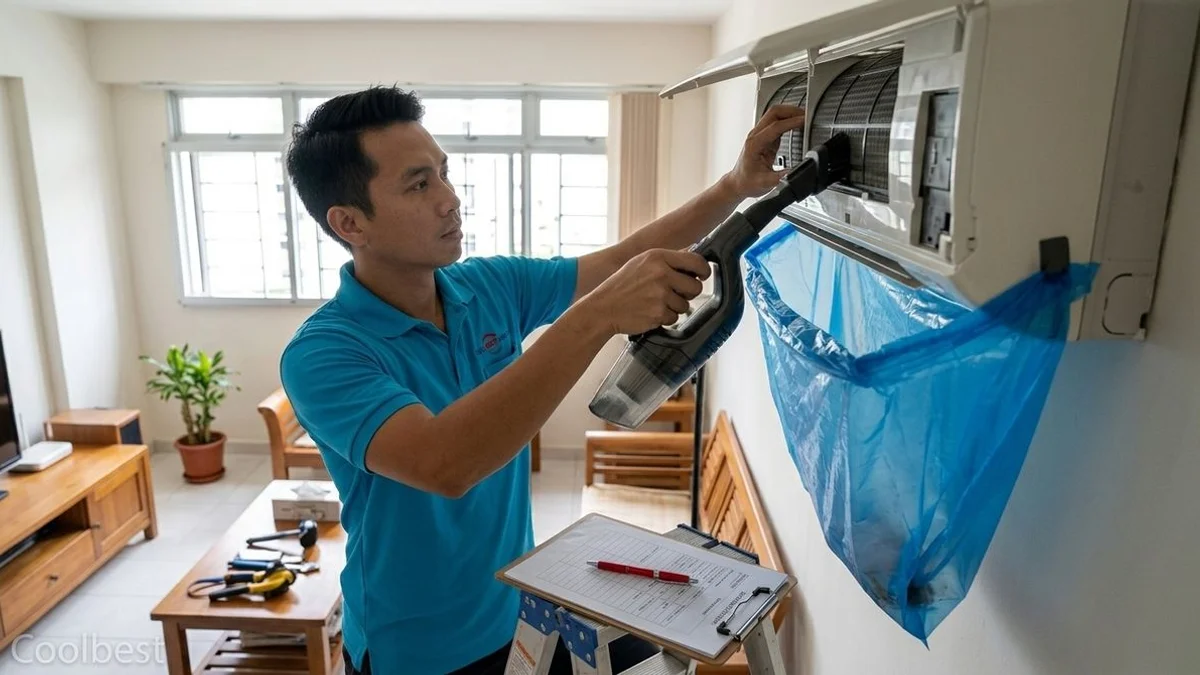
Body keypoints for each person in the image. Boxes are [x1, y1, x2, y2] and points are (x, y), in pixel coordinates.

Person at [280, 85, 805, 675]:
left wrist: (733, 186)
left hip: (522, 607)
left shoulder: (488, 287)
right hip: (417, 649)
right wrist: (596, 316)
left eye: (445, 175)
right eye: (419, 184)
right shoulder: (324, 353)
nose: (451, 199)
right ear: (351, 222)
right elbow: (445, 463)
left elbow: (622, 259)